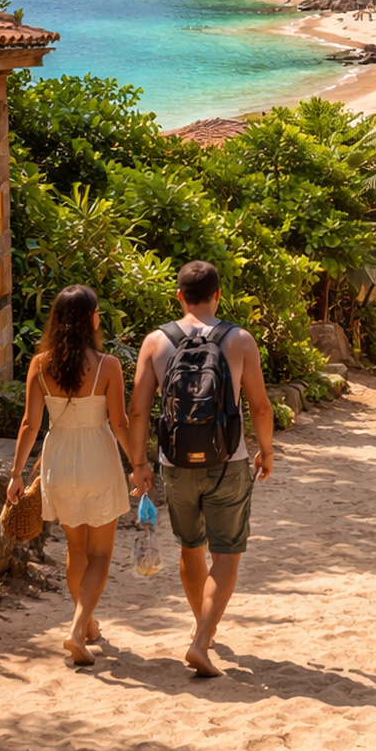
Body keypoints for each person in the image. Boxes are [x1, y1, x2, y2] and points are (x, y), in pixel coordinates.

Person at [129, 259, 275, 678]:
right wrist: (265, 451)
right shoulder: (239, 340)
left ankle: (203, 629)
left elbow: (138, 411)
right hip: (228, 460)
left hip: (174, 462)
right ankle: (200, 638)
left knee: (190, 547)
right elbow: (260, 405)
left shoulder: (156, 342)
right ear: (218, 295)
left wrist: (139, 463)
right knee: (226, 554)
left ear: (179, 296)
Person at [7, 285, 133, 665]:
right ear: (92, 319)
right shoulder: (108, 366)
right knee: (101, 554)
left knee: (76, 549)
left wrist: (15, 474)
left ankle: (88, 622)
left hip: (58, 461)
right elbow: (121, 422)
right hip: (98, 458)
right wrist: (139, 464)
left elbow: (30, 424)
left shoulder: (40, 365)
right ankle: (79, 630)